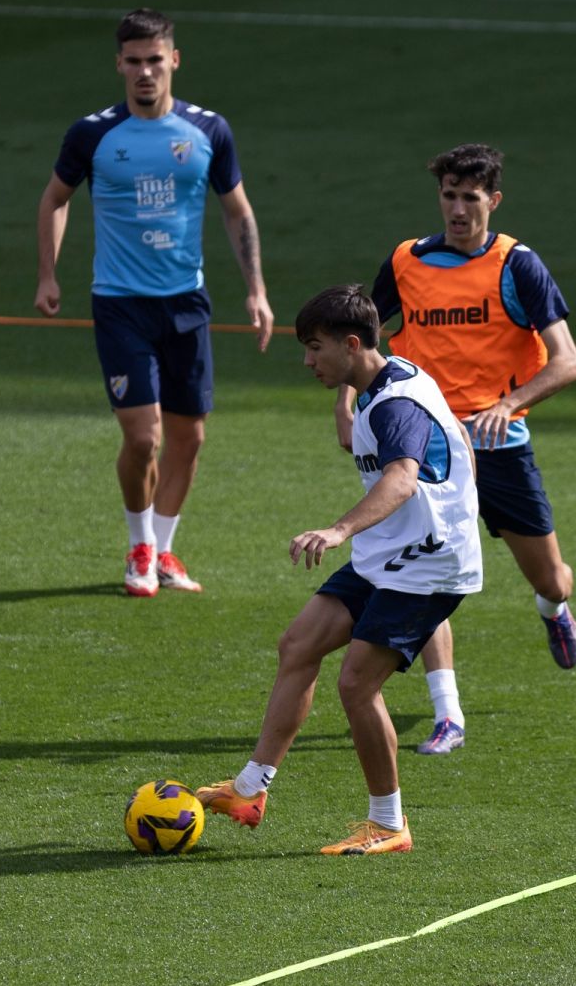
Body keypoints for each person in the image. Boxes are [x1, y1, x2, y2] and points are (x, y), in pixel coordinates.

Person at [197, 286, 481, 856]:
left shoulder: (396, 403)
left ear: (351, 345)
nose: (308, 361)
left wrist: (338, 530)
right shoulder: (383, 383)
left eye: (315, 347)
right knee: (298, 644)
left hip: (426, 565)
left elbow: (401, 479)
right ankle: (250, 789)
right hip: (390, 552)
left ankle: (389, 825)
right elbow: (457, 446)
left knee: (356, 684)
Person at [350, 143, 576, 757]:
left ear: (493, 200)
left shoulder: (517, 266)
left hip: (499, 444)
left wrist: (508, 404)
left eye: (470, 198)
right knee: (425, 569)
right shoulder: (407, 261)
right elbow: (360, 342)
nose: (457, 209)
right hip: (426, 445)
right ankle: (447, 713)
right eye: (449, 196)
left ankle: (553, 609)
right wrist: (346, 405)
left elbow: (567, 362)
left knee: (552, 577)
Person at [34, 7, 272, 597]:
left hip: (186, 303)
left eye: (155, 60)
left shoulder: (208, 130)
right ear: (119, 64)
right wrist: (48, 275)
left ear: (174, 60)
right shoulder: (93, 134)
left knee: (190, 439)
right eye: (134, 61)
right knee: (145, 438)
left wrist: (256, 290)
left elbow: (237, 211)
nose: (145, 71)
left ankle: (164, 552)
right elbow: (55, 198)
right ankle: (139, 546)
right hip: (121, 304)